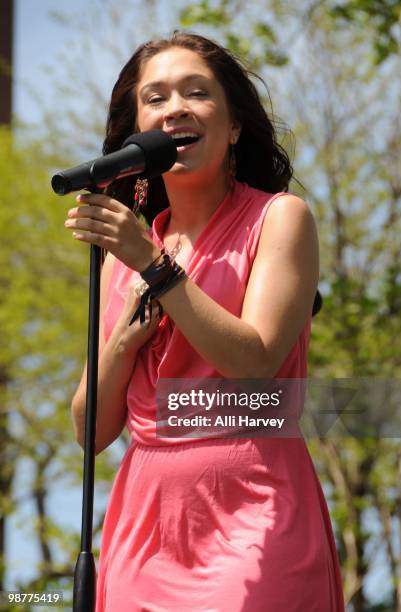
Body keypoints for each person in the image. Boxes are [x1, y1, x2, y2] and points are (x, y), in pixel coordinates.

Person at [66, 32, 345, 612]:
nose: (176, 108)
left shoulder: (279, 219)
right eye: (157, 97)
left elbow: (256, 362)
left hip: (253, 507)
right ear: (135, 132)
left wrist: (156, 268)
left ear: (235, 125)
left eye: (198, 93)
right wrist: (121, 342)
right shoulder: (125, 254)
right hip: (144, 527)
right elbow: (89, 431)